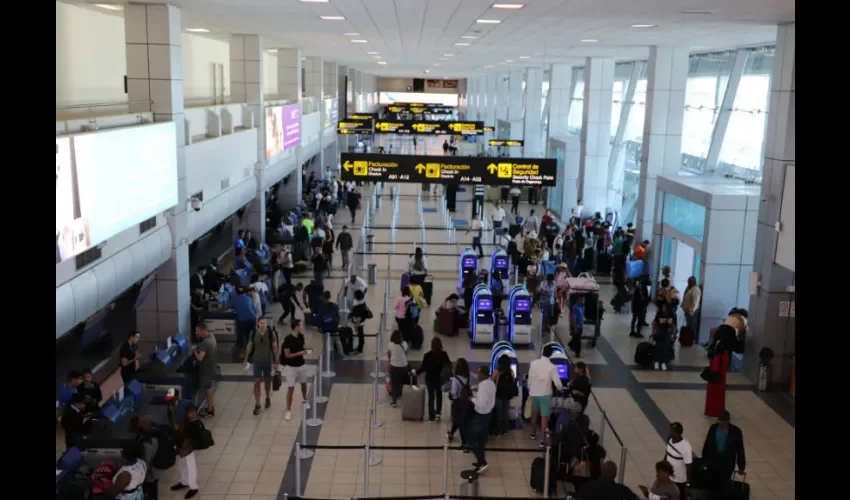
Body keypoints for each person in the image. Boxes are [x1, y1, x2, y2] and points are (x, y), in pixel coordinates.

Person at [702, 410, 746, 496]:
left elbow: (740, 450)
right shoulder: (713, 428)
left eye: (723, 422)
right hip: (713, 462)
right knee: (711, 484)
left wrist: (741, 466)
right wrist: (704, 460)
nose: (721, 423)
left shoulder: (736, 431)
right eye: (719, 421)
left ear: (728, 421)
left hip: (726, 464)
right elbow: (707, 444)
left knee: (723, 485)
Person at [527, 343, 564, 445]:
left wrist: (530, 388)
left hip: (534, 393)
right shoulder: (552, 367)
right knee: (544, 417)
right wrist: (560, 388)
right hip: (545, 394)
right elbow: (557, 382)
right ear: (551, 354)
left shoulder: (533, 363)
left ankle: (533, 433)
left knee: (534, 414)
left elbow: (530, 379)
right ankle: (542, 440)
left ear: (542, 352)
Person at [243, 316, 280, 415]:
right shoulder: (253, 333)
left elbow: (275, 347)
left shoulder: (270, 333)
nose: (263, 325)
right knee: (257, 382)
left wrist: (276, 361)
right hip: (257, 362)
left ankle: (267, 397)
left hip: (267, 361)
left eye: (265, 323)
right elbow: (249, 346)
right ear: (258, 324)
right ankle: (257, 404)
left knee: (267, 382)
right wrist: (246, 359)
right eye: (261, 323)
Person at [467, 366, 496, 473]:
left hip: (480, 416)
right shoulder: (491, 383)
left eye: (479, 374)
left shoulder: (483, 386)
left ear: (483, 374)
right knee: (481, 441)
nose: (477, 375)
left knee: (470, 438)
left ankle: (482, 462)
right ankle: (480, 461)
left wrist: (472, 398)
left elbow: (481, 404)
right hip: (488, 415)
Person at [416, 337, 452, 422]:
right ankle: (438, 413)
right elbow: (449, 365)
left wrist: (415, 373)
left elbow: (423, 368)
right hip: (440, 379)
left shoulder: (427, 355)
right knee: (439, 395)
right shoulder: (444, 354)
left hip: (429, 379)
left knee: (431, 396)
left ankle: (431, 416)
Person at [172, 404, 204, 498]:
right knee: (181, 463)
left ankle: (193, 487)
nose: (192, 414)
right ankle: (184, 481)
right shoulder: (179, 414)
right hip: (180, 443)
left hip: (187, 445)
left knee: (190, 464)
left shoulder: (193, 421)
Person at [282, 319, 310, 421]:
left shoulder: (301, 336)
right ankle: (288, 410)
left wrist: (305, 350)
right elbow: (287, 355)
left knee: (304, 384)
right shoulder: (288, 339)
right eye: (301, 325)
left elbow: (302, 346)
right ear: (296, 327)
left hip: (301, 365)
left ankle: (305, 400)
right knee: (291, 388)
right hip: (291, 367)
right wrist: (299, 353)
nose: (302, 327)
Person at [194, 319, 218, 417]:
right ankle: (210, 407)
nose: (196, 333)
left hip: (206, 369)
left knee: (208, 389)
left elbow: (200, 358)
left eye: (197, 331)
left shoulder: (205, 343)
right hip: (212, 367)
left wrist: (194, 351)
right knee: (210, 388)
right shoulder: (212, 337)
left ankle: (209, 410)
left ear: (202, 330)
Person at [704, 336, 732, 418]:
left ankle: (712, 412)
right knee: (720, 398)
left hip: (714, 381)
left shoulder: (717, 357)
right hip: (722, 380)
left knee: (713, 398)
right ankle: (719, 411)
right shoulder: (726, 356)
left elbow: (714, 369)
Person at [447, 358, 472, 449]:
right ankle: (451, 433)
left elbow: (454, 393)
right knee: (460, 420)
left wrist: (450, 395)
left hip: (457, 403)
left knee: (459, 421)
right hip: (466, 402)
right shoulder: (468, 377)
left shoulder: (455, 379)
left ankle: (464, 443)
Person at [665, 422, 693, 498]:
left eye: (671, 431)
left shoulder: (686, 447)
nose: (669, 432)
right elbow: (667, 454)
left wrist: (688, 484)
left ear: (676, 433)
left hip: (679, 481)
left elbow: (689, 466)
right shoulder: (669, 439)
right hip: (669, 477)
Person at [492, 354, 517, 436]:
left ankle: (498, 430)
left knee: (499, 413)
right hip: (507, 396)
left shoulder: (497, 371)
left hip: (498, 395)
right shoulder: (511, 372)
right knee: (505, 412)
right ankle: (505, 430)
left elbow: (492, 381)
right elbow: (513, 382)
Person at [387, 330, 409, 408]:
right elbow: (406, 353)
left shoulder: (390, 344)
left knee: (394, 384)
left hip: (394, 365)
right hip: (403, 365)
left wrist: (390, 361)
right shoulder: (404, 344)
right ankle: (401, 396)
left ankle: (394, 401)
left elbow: (389, 354)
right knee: (402, 382)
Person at [653, 301, 676, 371]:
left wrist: (674, 333)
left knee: (665, 348)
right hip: (660, 332)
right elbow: (657, 321)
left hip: (667, 333)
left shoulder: (672, 314)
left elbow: (673, 324)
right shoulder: (659, 313)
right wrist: (666, 321)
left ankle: (663, 362)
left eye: (664, 307)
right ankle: (657, 361)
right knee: (658, 347)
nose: (663, 308)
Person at [350, 290, 372, 355]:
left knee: (360, 335)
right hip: (361, 322)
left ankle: (360, 349)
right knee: (360, 335)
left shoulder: (360, 306)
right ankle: (359, 347)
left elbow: (358, 317)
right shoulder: (362, 302)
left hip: (359, 323)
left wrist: (356, 325)